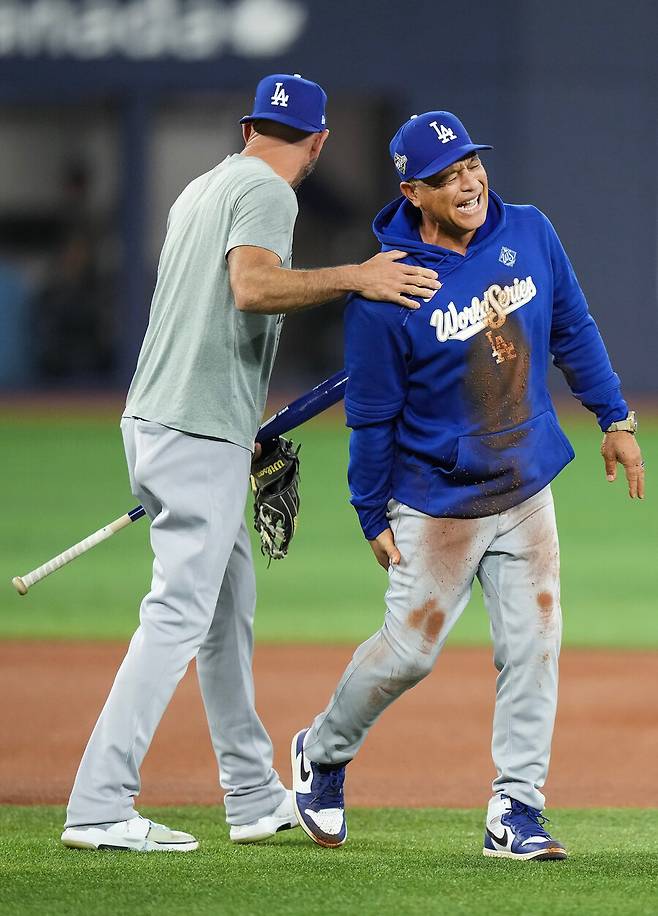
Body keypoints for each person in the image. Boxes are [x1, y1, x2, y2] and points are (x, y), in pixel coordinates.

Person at [60, 74, 439, 853]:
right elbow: (251, 288)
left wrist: (245, 429)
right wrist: (358, 276)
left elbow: (196, 313)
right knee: (177, 614)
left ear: (249, 125)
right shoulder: (272, 192)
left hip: (172, 420)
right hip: (193, 432)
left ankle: (251, 794)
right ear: (320, 142)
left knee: (225, 614)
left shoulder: (203, 187)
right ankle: (99, 804)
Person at [291, 110, 645, 860]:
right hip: (434, 502)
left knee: (535, 646)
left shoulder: (530, 232)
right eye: (448, 176)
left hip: (524, 488)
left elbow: (573, 328)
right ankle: (321, 755)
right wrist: (368, 511)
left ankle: (516, 809)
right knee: (408, 654)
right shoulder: (388, 289)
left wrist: (615, 416)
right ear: (413, 190)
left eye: (472, 166)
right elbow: (373, 416)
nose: (469, 183)